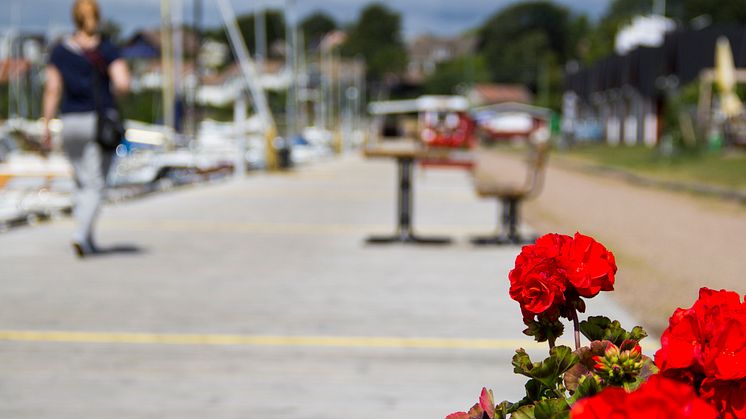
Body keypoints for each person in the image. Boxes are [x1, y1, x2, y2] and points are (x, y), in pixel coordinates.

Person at [42, 0, 130, 258]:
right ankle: (81, 235)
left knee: (81, 181)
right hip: (97, 122)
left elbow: (52, 90)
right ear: (97, 18)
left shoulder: (59, 50)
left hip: (69, 122)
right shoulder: (106, 48)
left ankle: (88, 240)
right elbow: (122, 83)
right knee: (96, 184)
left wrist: (46, 125)